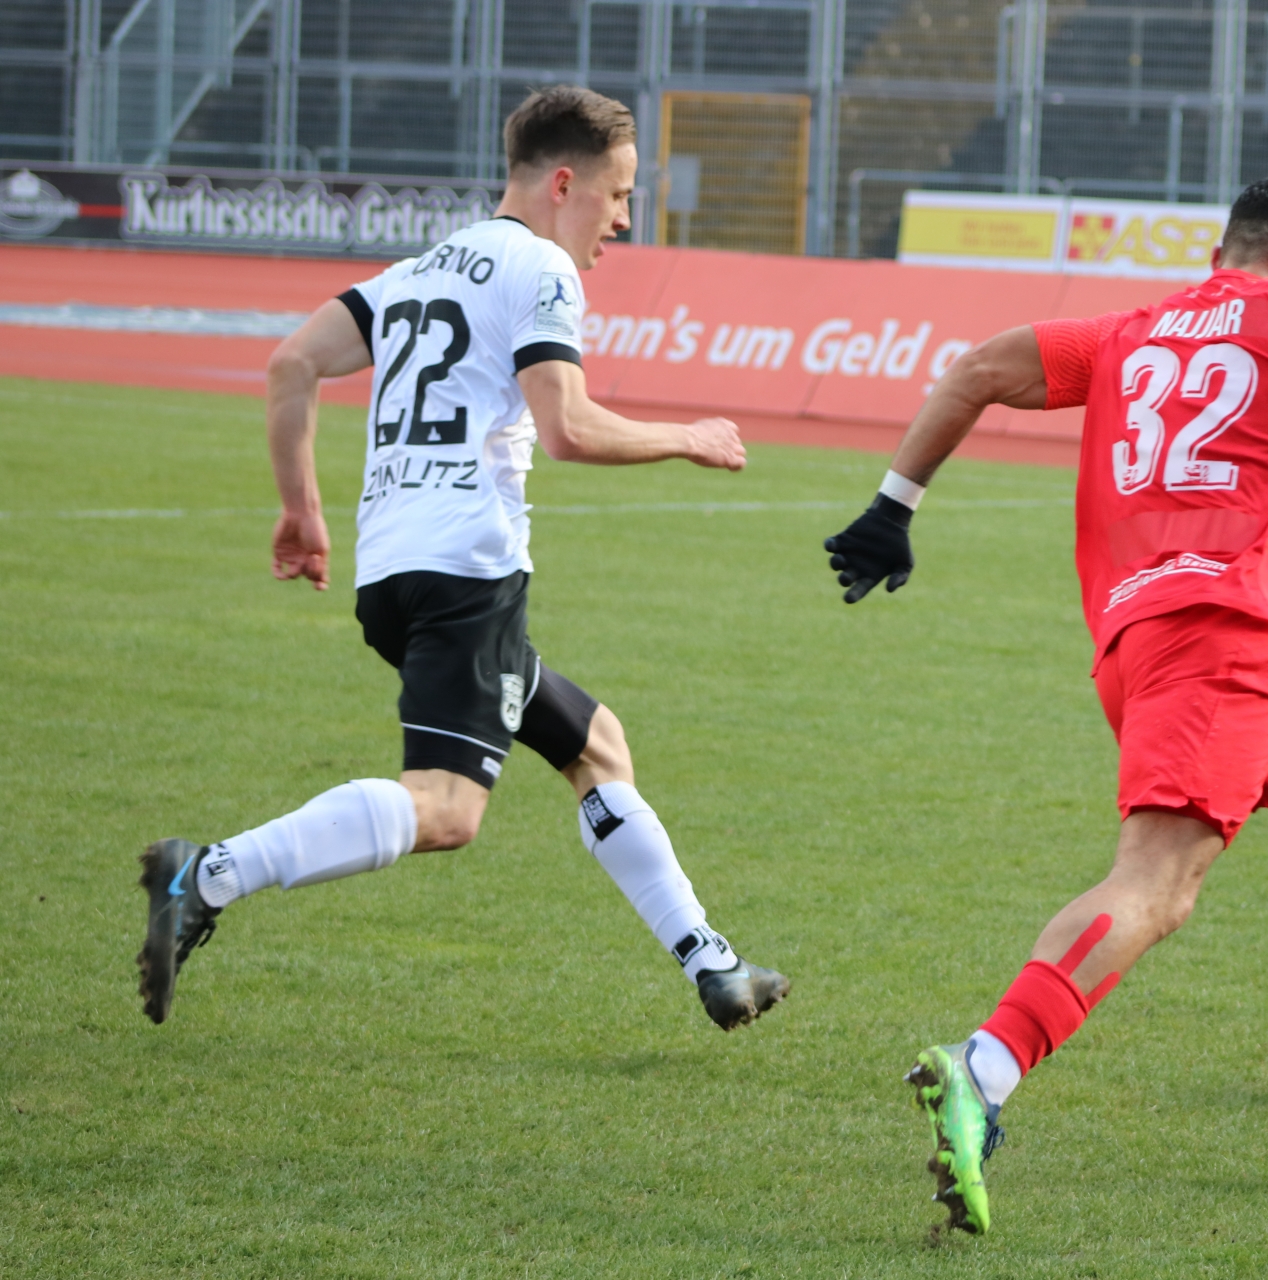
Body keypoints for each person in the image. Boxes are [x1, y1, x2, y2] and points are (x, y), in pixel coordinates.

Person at [823, 177, 1268, 1234]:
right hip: (1219, 643)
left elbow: (978, 368)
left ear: (1222, 254)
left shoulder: (1128, 331)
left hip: (1136, 649)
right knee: (1158, 884)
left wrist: (891, 507)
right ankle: (984, 1068)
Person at [138, 85, 789, 1034]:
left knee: (595, 744)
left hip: (390, 572)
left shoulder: (415, 271)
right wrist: (685, 436)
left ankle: (711, 962)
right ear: (563, 183)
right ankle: (206, 875)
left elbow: (291, 364)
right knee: (446, 808)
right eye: (617, 194)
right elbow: (566, 428)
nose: (623, 219)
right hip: (465, 571)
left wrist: (303, 513)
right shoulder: (541, 266)